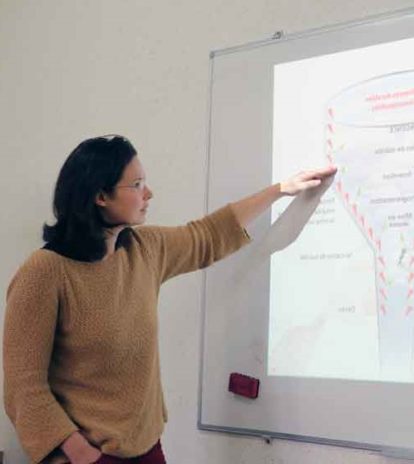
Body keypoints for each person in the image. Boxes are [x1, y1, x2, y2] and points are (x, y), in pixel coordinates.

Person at [2, 135, 337, 464]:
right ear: (100, 196)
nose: (148, 193)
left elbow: (207, 235)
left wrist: (281, 189)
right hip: (86, 455)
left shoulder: (143, 249)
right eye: (136, 185)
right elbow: (23, 387)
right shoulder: (45, 272)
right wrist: (78, 453)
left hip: (147, 449)